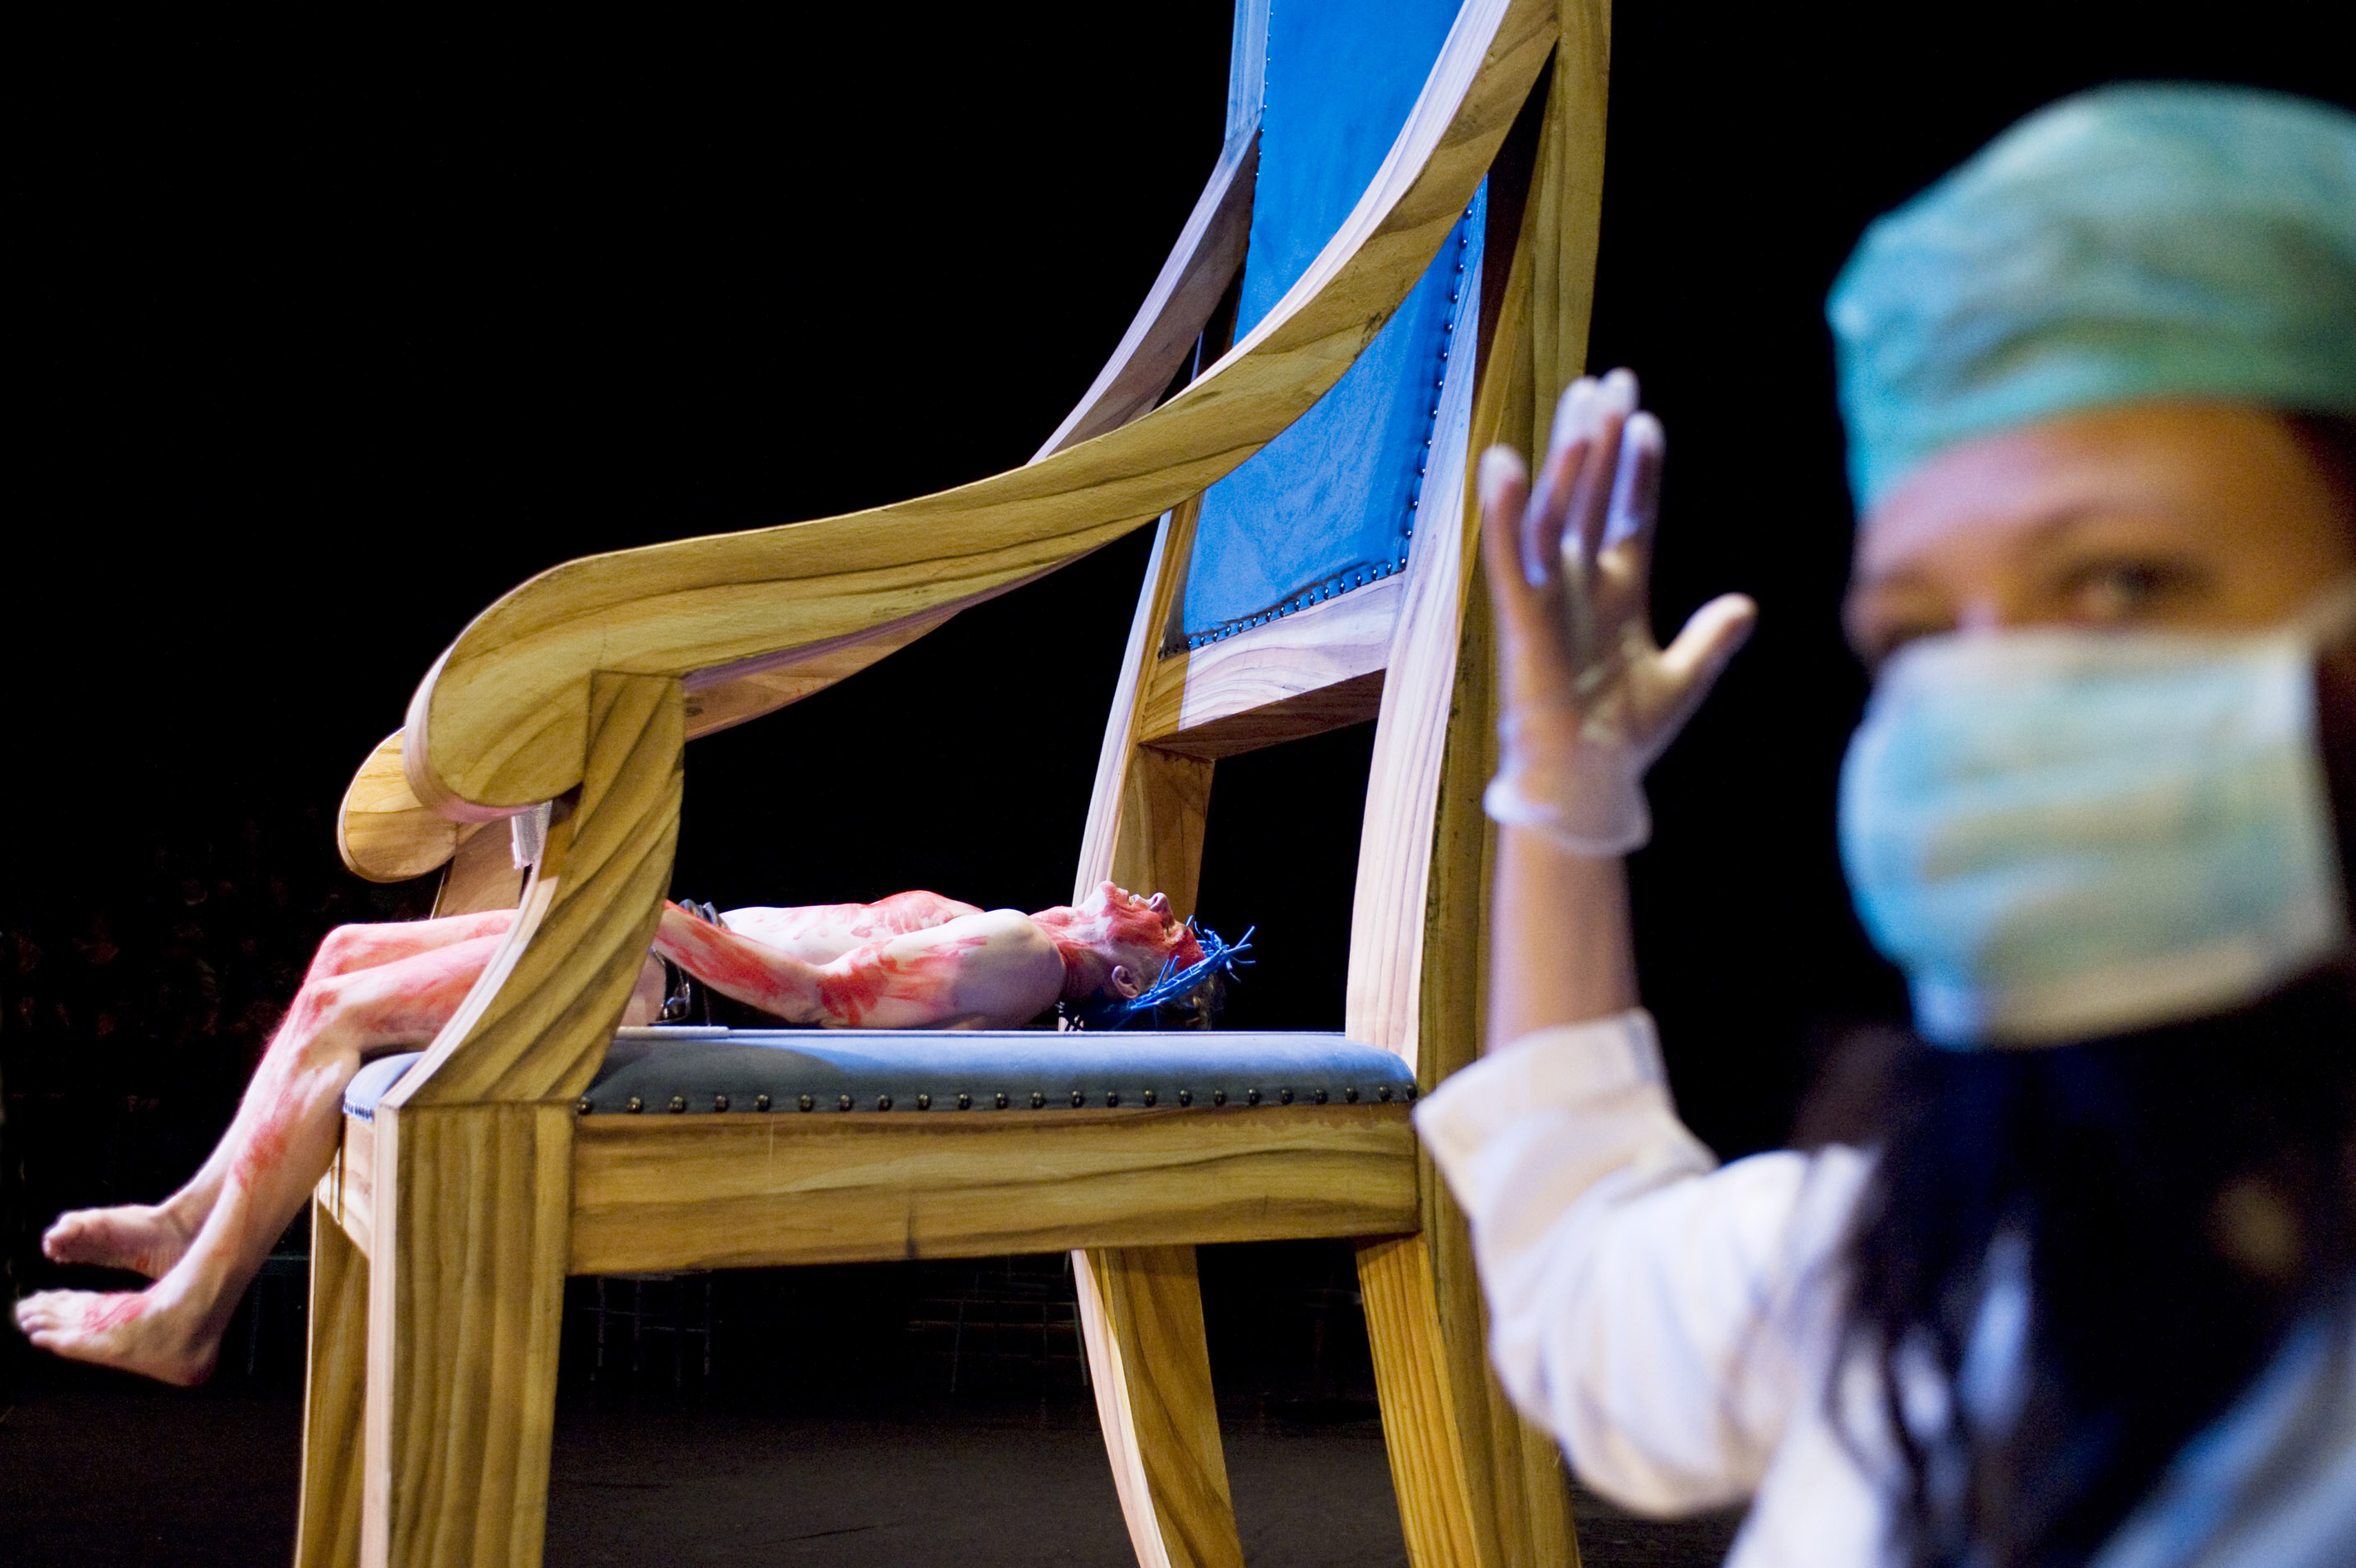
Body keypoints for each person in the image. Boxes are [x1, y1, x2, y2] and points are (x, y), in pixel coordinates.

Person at [1420, 86, 2356, 1568]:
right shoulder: (1949, 1246)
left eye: (2118, 581)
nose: (1992, 700)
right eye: (1919, 635)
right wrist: (1560, 803)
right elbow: (1589, 1294)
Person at [13, 880, 1205, 1385]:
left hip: (644, 976)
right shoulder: (1017, 939)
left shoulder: (1019, 950)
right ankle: (186, 1221)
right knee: (340, 956)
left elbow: (809, 998)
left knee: (345, 1009)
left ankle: (193, 1308)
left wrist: (647, 907)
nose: (1155, 902)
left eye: (1172, 933)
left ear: (1126, 976)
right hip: (653, 953)